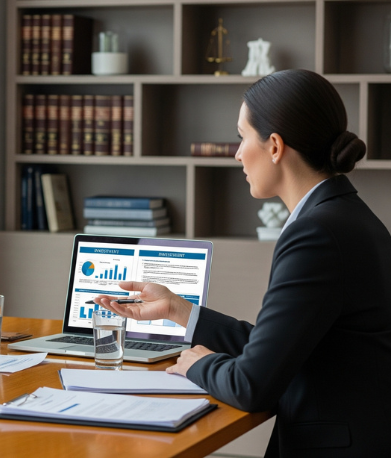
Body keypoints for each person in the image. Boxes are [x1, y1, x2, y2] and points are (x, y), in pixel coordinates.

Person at [95, 69, 391, 456]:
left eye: (241, 136)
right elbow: (278, 346)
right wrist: (179, 310)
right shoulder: (347, 217)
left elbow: (251, 385)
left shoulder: (316, 234)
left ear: (274, 146)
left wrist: (197, 365)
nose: (236, 153)